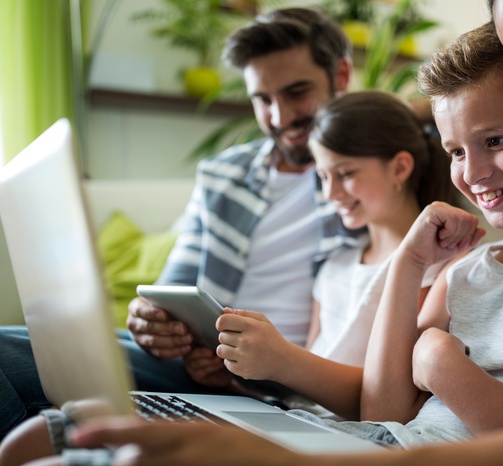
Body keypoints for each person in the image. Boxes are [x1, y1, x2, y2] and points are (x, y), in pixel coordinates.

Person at [45, 1, 503, 464]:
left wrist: (443, 367)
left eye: (496, 140)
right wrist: (411, 263)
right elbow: (382, 410)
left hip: (393, 450)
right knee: (65, 437)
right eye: (457, 152)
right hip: (374, 442)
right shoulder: (469, 272)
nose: (472, 171)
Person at [0, 6, 362, 439]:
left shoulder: (370, 174)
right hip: (199, 366)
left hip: (283, 378)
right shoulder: (223, 175)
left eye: (297, 92)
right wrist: (149, 322)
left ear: (341, 75)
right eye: (262, 100)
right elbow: (172, 288)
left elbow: (444, 119)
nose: (280, 117)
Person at [183, 90, 458, 421]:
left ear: (399, 168)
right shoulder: (335, 264)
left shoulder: (437, 270)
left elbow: (393, 399)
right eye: (324, 177)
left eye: (345, 174)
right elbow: (306, 389)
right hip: (296, 419)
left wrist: (283, 360)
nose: (331, 193)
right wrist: (235, 379)